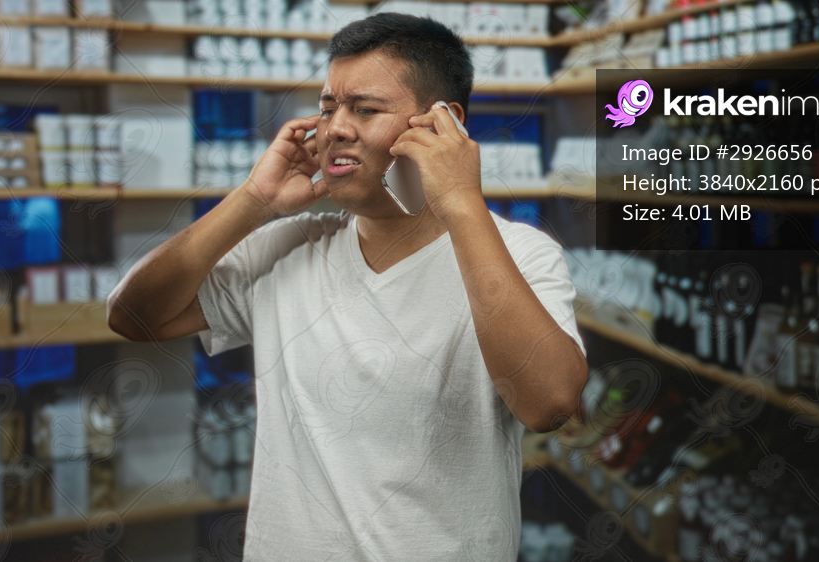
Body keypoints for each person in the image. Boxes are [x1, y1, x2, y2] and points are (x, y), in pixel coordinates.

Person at [108, 12, 588, 561]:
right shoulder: (288, 248)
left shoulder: (520, 255)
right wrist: (253, 202)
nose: (334, 128)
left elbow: (550, 403)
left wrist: (460, 202)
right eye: (327, 107)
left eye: (364, 109)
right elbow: (133, 316)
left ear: (443, 124)